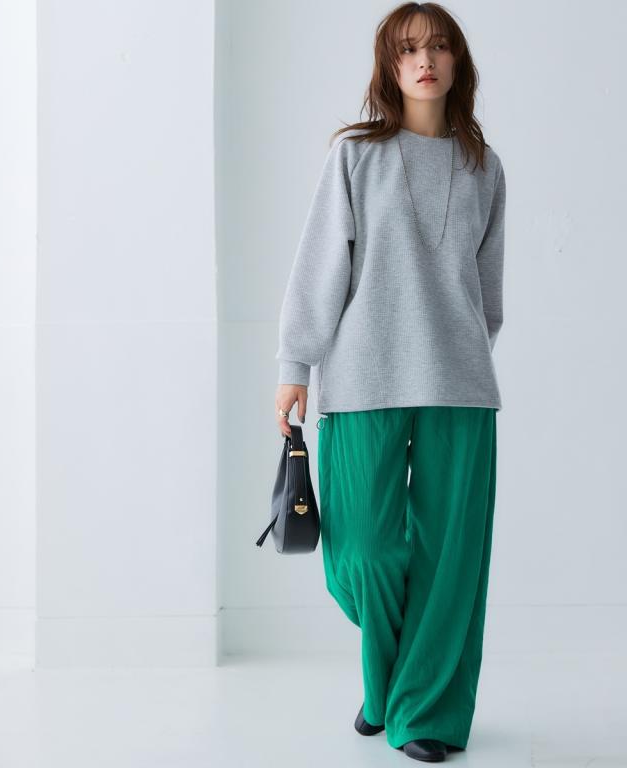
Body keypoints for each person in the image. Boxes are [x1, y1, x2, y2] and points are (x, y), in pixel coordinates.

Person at [273, 2, 506, 762]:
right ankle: (391, 683)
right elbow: (319, 268)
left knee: (451, 560)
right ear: (389, 65)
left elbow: (488, 294)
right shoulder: (356, 156)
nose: (424, 61)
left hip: (460, 386)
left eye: (438, 47)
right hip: (360, 378)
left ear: (458, 62)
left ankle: (423, 715)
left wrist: (456, 349)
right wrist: (294, 365)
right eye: (408, 50)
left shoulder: (485, 167)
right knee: (363, 552)